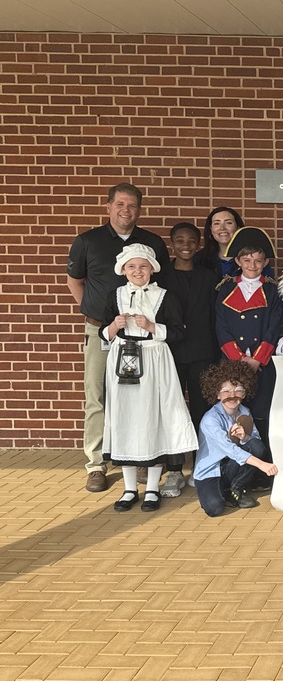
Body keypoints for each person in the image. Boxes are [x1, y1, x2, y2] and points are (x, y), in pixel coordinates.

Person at [66, 183, 170, 493]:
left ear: (139, 209)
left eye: (133, 205)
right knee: (97, 395)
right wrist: (93, 311)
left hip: (141, 338)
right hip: (102, 330)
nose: (126, 210)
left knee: (141, 395)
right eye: (120, 204)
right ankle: (96, 464)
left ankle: (141, 457)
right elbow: (75, 280)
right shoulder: (88, 241)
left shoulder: (152, 242)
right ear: (108, 206)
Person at [99, 243, 198, 512]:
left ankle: (153, 487)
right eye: (132, 266)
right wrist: (114, 326)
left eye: (143, 266)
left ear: (152, 269)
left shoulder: (165, 296)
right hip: (123, 359)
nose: (137, 271)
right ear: (123, 269)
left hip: (154, 359)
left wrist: (151, 326)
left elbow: (178, 332)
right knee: (126, 418)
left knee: (154, 416)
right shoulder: (115, 295)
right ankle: (130, 488)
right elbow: (103, 334)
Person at [159, 222, 219, 498]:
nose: (186, 245)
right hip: (168, 352)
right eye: (180, 240)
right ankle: (173, 469)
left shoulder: (209, 277)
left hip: (201, 353)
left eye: (191, 240)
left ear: (198, 245)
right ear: (172, 244)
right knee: (171, 411)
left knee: (200, 411)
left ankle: (199, 464)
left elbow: (213, 316)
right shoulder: (160, 276)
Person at [215, 227, 283, 453]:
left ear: (265, 263)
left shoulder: (272, 290)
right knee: (234, 414)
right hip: (232, 363)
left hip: (262, 364)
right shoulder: (225, 287)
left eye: (258, 260)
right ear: (238, 261)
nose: (252, 265)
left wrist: (257, 360)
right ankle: (238, 466)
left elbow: (274, 327)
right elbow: (221, 326)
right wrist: (238, 361)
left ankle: (264, 465)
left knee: (263, 413)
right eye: (247, 260)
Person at [193, 360, 278, 515]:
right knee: (214, 509)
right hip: (210, 470)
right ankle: (222, 491)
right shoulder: (210, 419)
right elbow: (231, 450)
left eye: (238, 390)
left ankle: (236, 488)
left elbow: (256, 441)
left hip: (231, 467)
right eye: (225, 391)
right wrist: (263, 465)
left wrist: (245, 436)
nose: (232, 395)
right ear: (217, 394)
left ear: (244, 393)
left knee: (256, 445)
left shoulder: (245, 411)